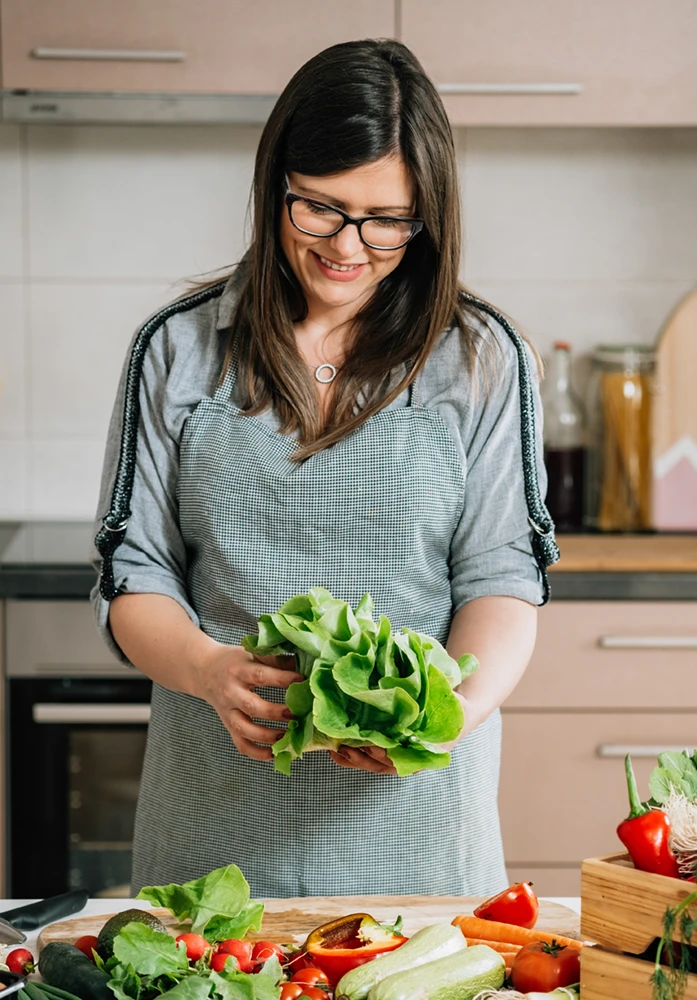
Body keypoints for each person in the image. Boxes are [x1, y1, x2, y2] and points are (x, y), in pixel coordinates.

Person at [91, 38, 558, 899]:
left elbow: (501, 576)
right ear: (275, 189)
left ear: (429, 216)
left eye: (386, 219)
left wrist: (441, 719)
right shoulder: (179, 349)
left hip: (419, 847)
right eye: (320, 208)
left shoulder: (485, 357)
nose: (350, 245)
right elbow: (134, 573)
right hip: (212, 844)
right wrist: (207, 670)